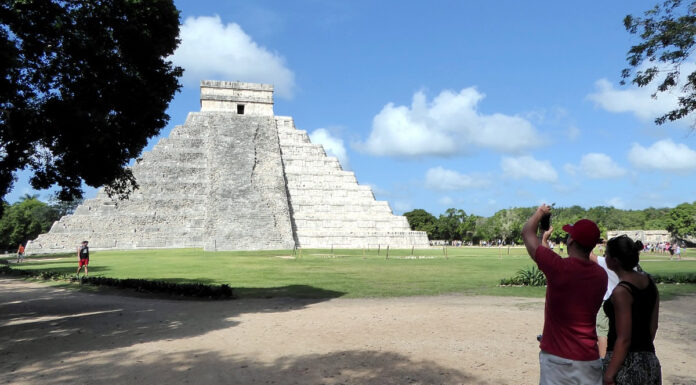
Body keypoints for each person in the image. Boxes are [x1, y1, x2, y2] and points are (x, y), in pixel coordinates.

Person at [522, 204, 607, 385]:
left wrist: (540, 213)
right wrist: (545, 242)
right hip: (589, 359)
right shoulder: (601, 275)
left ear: (570, 241)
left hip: (557, 360)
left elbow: (527, 233)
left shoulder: (559, 268)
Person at [602, 235, 661, 385]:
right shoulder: (649, 282)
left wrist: (610, 374)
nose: (604, 257)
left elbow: (624, 338)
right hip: (648, 359)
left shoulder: (622, 292)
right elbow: (653, 326)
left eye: (606, 254)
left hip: (626, 364)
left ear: (614, 260)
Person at [589, 251, 619, 359]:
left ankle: (603, 359)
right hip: (625, 303)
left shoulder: (607, 263)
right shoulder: (633, 267)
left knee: (602, 331)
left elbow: (590, 255)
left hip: (608, 302)